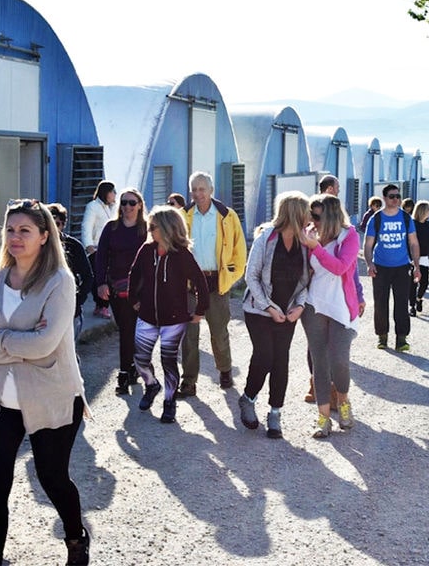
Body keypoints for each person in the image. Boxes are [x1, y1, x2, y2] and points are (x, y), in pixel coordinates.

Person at [0, 199, 90, 565]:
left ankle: (75, 537)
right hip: (0, 401)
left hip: (52, 396)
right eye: (10, 230)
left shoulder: (60, 282)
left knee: (52, 478)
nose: (15, 237)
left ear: (43, 236)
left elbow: (46, 343)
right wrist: (16, 342)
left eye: (25, 231)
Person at [238, 191, 310, 438]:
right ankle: (248, 398)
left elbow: (305, 281)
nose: (309, 218)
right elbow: (251, 277)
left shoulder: (304, 242)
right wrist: (269, 307)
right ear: (294, 214)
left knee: (281, 361)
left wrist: (299, 307)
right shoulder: (266, 238)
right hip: (259, 311)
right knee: (265, 355)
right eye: (305, 213)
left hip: (288, 313)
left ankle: (275, 413)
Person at [128, 206, 209, 423]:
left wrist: (200, 310)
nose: (149, 230)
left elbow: (200, 281)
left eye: (152, 226)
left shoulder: (182, 255)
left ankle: (169, 401)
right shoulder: (146, 250)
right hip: (147, 316)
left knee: (169, 361)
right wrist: (134, 300)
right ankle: (152, 385)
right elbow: (134, 274)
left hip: (173, 319)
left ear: (166, 228)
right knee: (140, 359)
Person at [178, 171, 247, 397]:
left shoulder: (227, 216)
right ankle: (188, 381)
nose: (198, 194)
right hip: (189, 283)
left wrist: (231, 275)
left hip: (217, 280)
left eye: (202, 189)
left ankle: (225, 370)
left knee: (219, 331)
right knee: (189, 334)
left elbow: (239, 251)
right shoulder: (183, 215)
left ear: (211, 191)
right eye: (194, 189)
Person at [300, 194, 360, 438]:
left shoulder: (349, 236)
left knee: (339, 360)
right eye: (311, 215)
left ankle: (343, 402)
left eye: (317, 215)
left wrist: (316, 248)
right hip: (314, 304)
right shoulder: (310, 236)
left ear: (331, 215)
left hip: (341, 307)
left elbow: (341, 267)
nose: (312, 220)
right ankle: (323, 418)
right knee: (319, 363)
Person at [95, 188, 148, 395]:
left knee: (136, 331)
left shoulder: (146, 229)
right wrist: (101, 283)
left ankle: (127, 371)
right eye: (124, 202)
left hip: (141, 289)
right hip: (117, 288)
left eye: (132, 203)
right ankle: (129, 369)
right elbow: (101, 258)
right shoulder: (112, 228)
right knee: (126, 329)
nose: (127, 207)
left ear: (140, 205)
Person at [363, 183, 421, 353]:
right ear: (384, 198)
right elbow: (367, 245)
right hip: (380, 267)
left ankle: (401, 339)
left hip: (402, 267)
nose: (396, 199)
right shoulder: (376, 219)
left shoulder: (406, 218)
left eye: (398, 196)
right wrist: (369, 263)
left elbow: (414, 242)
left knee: (401, 303)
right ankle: (382, 336)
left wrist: (417, 266)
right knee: (381, 303)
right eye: (392, 196)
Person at [48, 203, 93, 340]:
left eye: (57, 224)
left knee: (68, 354)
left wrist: (78, 301)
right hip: (44, 313)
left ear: (63, 225)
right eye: (50, 223)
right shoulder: (37, 247)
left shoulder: (74, 246)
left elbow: (88, 276)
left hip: (70, 312)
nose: (53, 228)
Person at [81, 180, 116, 317]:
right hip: (96, 248)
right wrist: (89, 245)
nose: (114, 194)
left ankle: (102, 305)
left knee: (107, 278)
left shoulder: (111, 208)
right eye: (112, 191)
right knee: (98, 278)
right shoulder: (93, 206)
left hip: (110, 248)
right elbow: (87, 226)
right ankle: (101, 306)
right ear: (105, 192)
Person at [409, 201, 429, 315]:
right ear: (422, 211)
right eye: (428, 209)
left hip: (424, 256)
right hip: (413, 257)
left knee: (424, 282)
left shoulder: (428, 224)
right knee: (412, 283)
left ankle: (419, 299)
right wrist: (411, 257)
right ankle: (412, 306)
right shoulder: (412, 224)